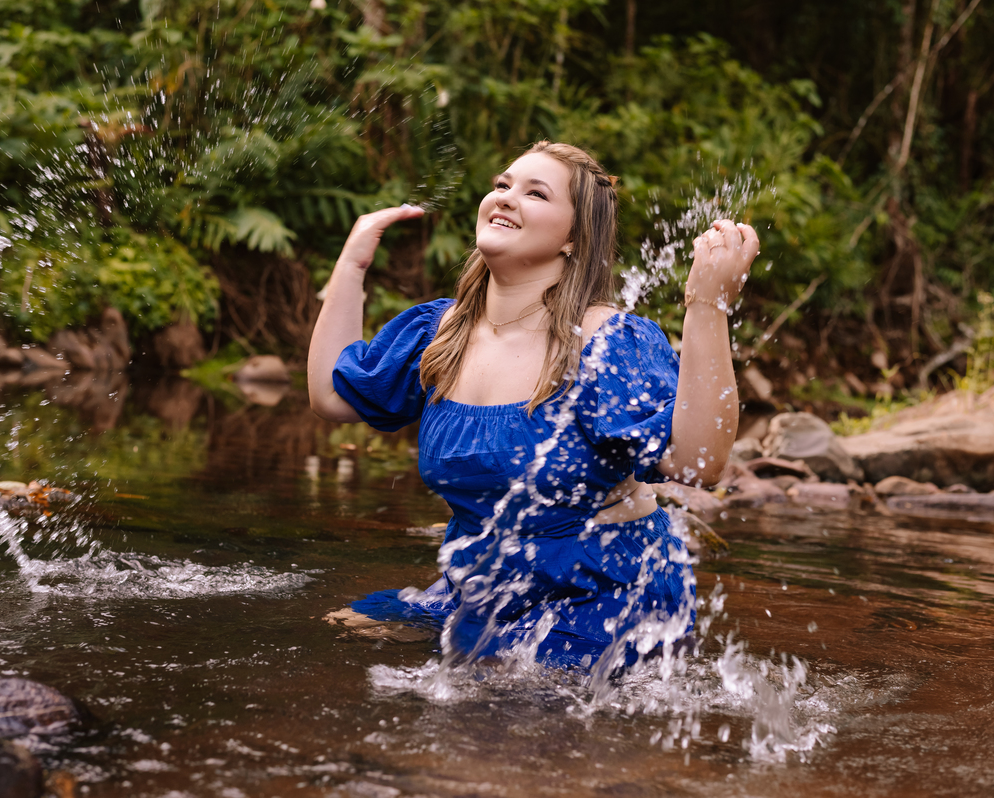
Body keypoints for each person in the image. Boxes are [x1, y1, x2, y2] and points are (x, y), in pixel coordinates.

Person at [308, 141, 757, 671]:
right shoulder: (442, 332)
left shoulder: (605, 341)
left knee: (497, 711)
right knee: (341, 629)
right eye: (502, 185)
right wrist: (353, 259)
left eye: (535, 193)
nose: (506, 197)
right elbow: (332, 397)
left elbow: (698, 461)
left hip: (599, 588)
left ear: (572, 239)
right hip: (488, 580)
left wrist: (708, 304)